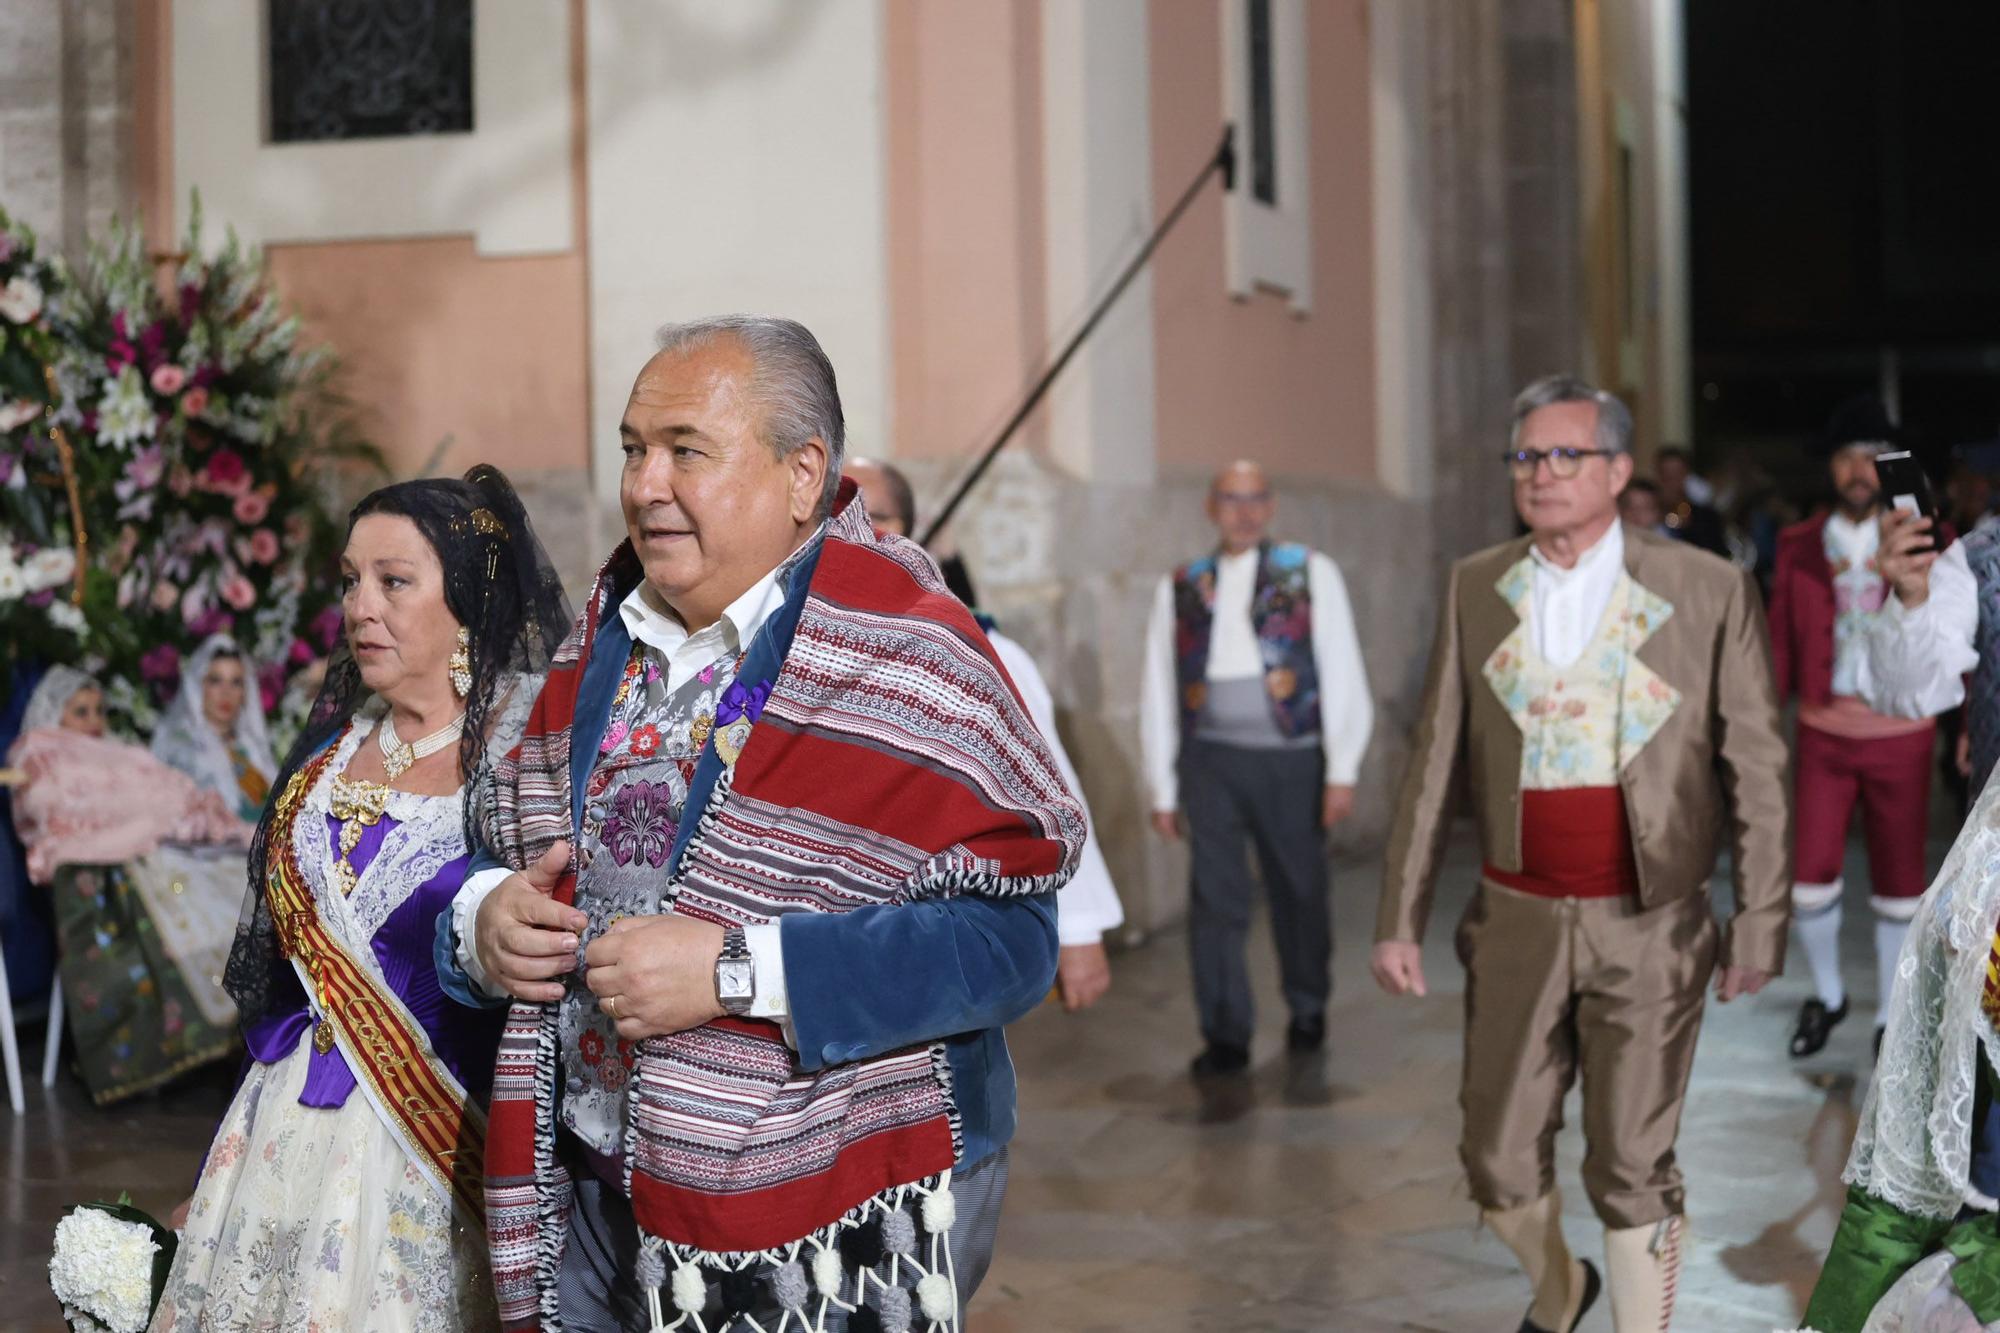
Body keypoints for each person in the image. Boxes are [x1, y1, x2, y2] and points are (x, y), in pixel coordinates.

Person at [435, 317, 1083, 1332]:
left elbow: (1008, 947)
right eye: (632, 449)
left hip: (828, 1207)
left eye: (685, 450)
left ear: (801, 474)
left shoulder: (913, 652)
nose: (645, 484)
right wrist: (483, 920)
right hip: (592, 1179)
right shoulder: (597, 638)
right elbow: (495, 848)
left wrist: (735, 972)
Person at [1372, 374, 1790, 1333]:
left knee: (1630, 1163)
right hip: (1514, 913)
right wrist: (1399, 916)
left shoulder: (1706, 587)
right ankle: (1562, 1290)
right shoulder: (1478, 584)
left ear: (1617, 469)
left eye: (1565, 455)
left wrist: (1760, 917)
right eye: (1527, 457)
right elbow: (1435, 755)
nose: (1542, 474)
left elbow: (1757, 763)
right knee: (1496, 1157)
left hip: (1651, 920)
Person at [151, 466, 569, 1332]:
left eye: (394, 581)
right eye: (351, 580)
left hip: (424, 1141)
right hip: (278, 1132)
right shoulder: (326, 757)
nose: (361, 606)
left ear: (464, 604)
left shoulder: (514, 766)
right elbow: (289, 979)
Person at [846, 455, 1123, 1010]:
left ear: (910, 531)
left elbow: (1047, 791)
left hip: (928, 929)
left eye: (878, 516)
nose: (858, 534)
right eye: (841, 516)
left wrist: (1080, 927)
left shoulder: (974, 648)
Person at [1138, 460, 1372, 1076]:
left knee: (1299, 887)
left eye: (1255, 498)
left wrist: (1342, 767)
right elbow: (1160, 686)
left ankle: (1307, 1005)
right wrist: (1162, 785)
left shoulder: (1309, 573)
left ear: (1269, 506)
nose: (1243, 511)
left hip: (1291, 759)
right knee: (1215, 899)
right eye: (1231, 499)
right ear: (1212, 507)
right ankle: (1225, 1033)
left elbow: (1342, 668)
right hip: (1210, 760)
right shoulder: (1184, 584)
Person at [1769, 397, 1941, 1059]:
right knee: (1808, 877)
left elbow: (1953, 629)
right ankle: (1831, 993)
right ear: (1831, 469)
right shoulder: (1797, 543)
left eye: (1870, 456)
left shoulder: (1925, 533)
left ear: (1889, 464)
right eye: (1845, 458)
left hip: (1902, 727)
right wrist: (1763, 717)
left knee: (1900, 884)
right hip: (1822, 727)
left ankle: (1887, 1018)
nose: (1858, 470)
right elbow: (1780, 635)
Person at [8, 667, 251, 1103]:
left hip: (161, 852)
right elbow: (53, 814)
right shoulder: (40, 753)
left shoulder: (123, 753)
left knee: (241, 894)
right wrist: (146, 823)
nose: (93, 721)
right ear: (52, 715)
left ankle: (246, 1038)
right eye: (80, 711)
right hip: (118, 865)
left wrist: (172, 820)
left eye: (99, 710)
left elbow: (173, 791)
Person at [150, 635, 278, 824]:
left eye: (235, 682)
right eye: (215, 680)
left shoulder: (252, 750)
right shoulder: (179, 748)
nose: (225, 692)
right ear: (199, 686)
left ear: (245, 692)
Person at [1654, 446, 1729, 557]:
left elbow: (1716, 554)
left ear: (1686, 475)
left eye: (1676, 474)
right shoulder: (1649, 513)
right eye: (1666, 475)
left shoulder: (1707, 517)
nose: (1672, 481)